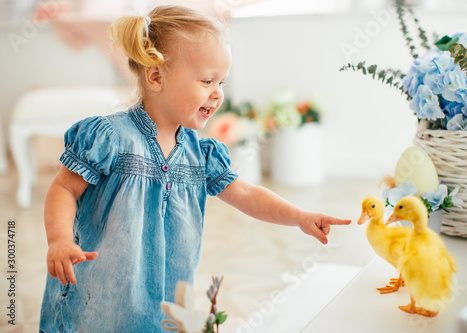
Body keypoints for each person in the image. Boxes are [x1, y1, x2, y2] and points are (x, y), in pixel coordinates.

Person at [39, 5, 351, 332]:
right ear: (156, 76)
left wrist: (298, 217)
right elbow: (64, 188)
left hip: (160, 305)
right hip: (98, 302)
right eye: (206, 80)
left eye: (222, 82)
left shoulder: (198, 154)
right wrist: (59, 239)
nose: (217, 95)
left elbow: (244, 193)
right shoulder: (110, 138)